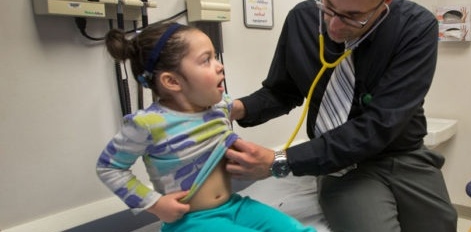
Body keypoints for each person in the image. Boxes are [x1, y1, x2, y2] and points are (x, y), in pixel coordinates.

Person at [225, 0, 458, 231]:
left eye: (352, 16)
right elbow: (283, 91)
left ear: (386, 0)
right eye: (328, 4)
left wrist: (279, 159)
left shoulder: (415, 28)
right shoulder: (301, 20)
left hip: (402, 154)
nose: (333, 24)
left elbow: (379, 126)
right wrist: (235, 108)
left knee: (441, 226)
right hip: (341, 166)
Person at [95, 23, 315, 232]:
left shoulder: (220, 106)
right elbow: (109, 167)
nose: (220, 65)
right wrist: (154, 203)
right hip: (190, 221)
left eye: (216, 57)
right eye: (206, 60)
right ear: (172, 81)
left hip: (234, 206)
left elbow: (266, 101)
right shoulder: (148, 124)